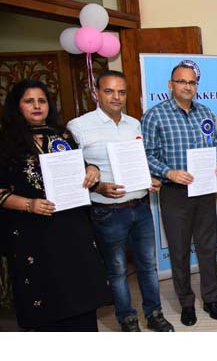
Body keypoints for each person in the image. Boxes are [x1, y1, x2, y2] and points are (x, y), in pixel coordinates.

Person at [67, 70, 174, 332]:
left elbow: (138, 162)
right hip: (107, 212)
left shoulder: (134, 124)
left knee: (148, 266)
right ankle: (126, 317)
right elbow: (71, 170)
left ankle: (154, 313)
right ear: (96, 93)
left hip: (140, 206)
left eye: (121, 92)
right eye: (109, 91)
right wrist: (99, 186)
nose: (116, 97)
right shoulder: (78, 126)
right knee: (116, 270)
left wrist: (150, 179)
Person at [0, 79, 111, 331]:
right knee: (45, 298)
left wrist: (92, 170)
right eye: (29, 101)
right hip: (32, 232)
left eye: (41, 100)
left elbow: (79, 173)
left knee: (79, 292)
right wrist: (29, 204)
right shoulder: (5, 141)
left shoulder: (62, 135)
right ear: (17, 106)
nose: (37, 106)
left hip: (71, 228)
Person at [142, 62, 217, 326]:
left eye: (192, 82)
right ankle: (186, 303)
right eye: (182, 82)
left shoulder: (206, 113)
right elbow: (146, 154)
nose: (187, 86)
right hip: (175, 193)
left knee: (207, 247)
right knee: (178, 251)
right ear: (171, 85)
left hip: (204, 191)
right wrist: (169, 173)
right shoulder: (155, 115)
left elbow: (213, 147)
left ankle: (211, 299)